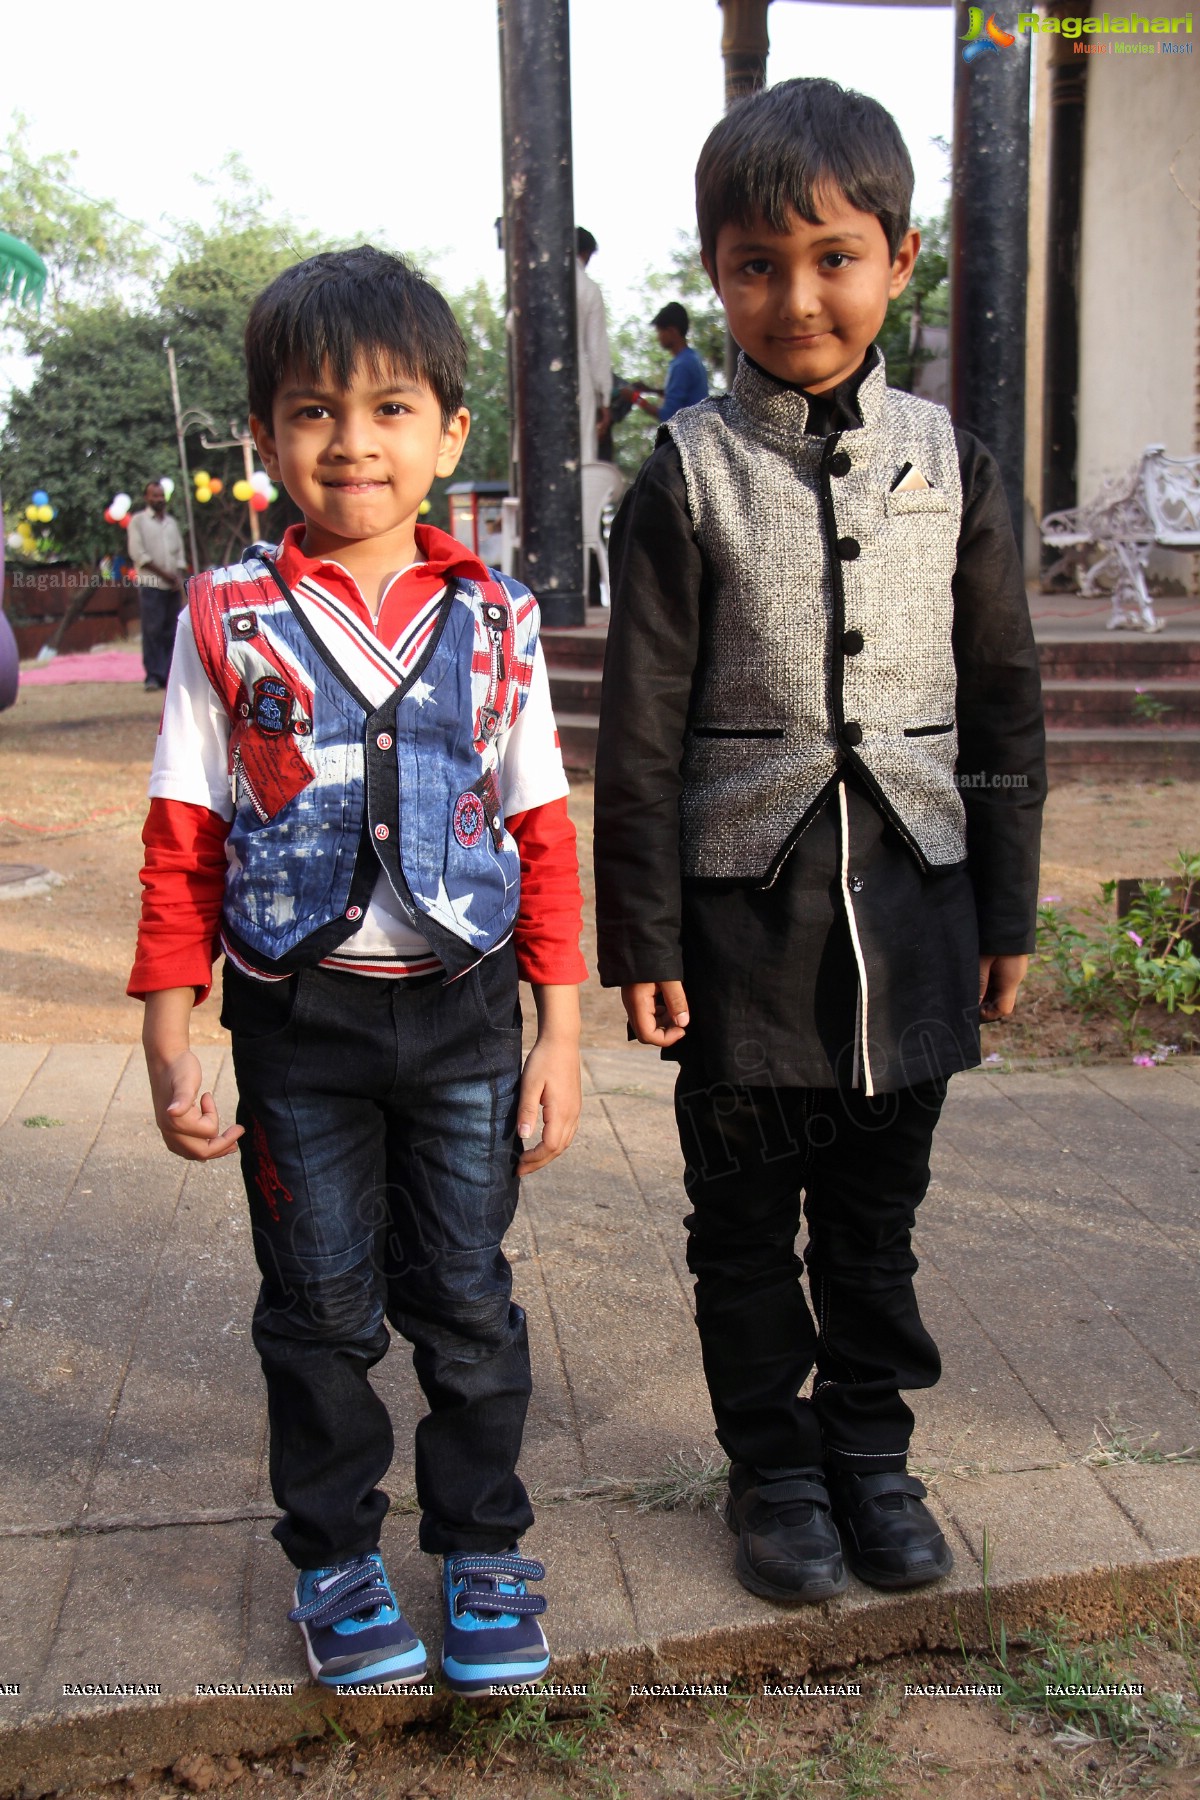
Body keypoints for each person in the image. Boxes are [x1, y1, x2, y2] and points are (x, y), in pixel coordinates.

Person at [594, 79, 1045, 1606]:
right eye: (758, 265)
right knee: (738, 1227)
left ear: (899, 258)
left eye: (835, 256)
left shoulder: (955, 461)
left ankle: (872, 1458)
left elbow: (1005, 700)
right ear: (718, 272)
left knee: (876, 1222)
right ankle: (774, 1480)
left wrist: (1009, 912)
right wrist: (644, 940)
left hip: (916, 910)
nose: (798, 298)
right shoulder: (686, 476)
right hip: (739, 930)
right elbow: (641, 733)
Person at [128, 246, 587, 1692]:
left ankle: (482, 1546)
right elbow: (182, 837)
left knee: (465, 1295)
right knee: (318, 1305)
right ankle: (332, 1554)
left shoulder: (498, 622)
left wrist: (560, 1034)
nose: (353, 442)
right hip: (295, 1029)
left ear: (451, 434)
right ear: (265, 438)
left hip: (463, 1025)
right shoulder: (225, 620)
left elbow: (544, 832)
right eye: (316, 411)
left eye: (391, 409)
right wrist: (169, 1030)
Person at [126, 480, 187, 690]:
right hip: (151, 583)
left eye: (161, 496)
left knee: (172, 630)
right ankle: (153, 676)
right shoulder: (138, 521)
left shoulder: (171, 523)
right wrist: (165, 574)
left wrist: (176, 576)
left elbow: (179, 553)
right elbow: (138, 553)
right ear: (147, 498)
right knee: (153, 630)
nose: (159, 500)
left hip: (171, 586)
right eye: (155, 496)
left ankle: (169, 675)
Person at [624, 302, 708, 425]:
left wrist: (635, 398)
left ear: (672, 331)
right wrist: (651, 390)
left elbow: (667, 416)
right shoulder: (692, 357)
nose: (658, 337)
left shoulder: (681, 365)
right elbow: (683, 396)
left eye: (659, 332)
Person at [576, 227, 613, 462]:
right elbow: (597, 351)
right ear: (587, 254)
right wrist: (605, 402)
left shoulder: (535, 280)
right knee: (583, 457)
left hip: (533, 381)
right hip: (579, 381)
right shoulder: (588, 288)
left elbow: (511, 323)